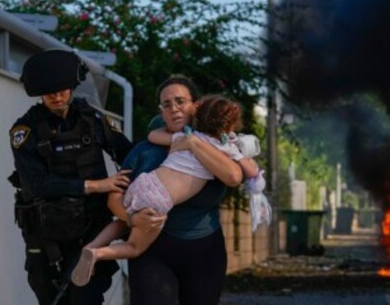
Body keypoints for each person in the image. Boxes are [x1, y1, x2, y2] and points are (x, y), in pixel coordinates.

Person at [8, 49, 132, 305]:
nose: (57, 97)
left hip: (89, 242)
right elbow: (36, 184)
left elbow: (129, 155)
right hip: (44, 243)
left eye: (62, 90)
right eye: (49, 93)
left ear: (72, 86)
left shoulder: (94, 120)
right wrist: (96, 184)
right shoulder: (24, 131)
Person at [112, 75, 243, 305]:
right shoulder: (144, 150)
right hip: (153, 252)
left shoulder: (216, 145)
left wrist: (191, 144)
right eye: (167, 103)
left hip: (204, 252)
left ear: (195, 105)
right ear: (161, 109)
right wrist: (129, 215)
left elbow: (233, 176)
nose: (174, 108)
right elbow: (114, 194)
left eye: (181, 101)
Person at [70, 95, 260, 286]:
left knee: (124, 221)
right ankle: (98, 254)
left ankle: (92, 245)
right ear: (229, 127)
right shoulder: (224, 149)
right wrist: (237, 147)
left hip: (145, 182)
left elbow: (153, 135)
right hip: (159, 200)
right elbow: (250, 171)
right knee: (135, 247)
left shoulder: (186, 136)